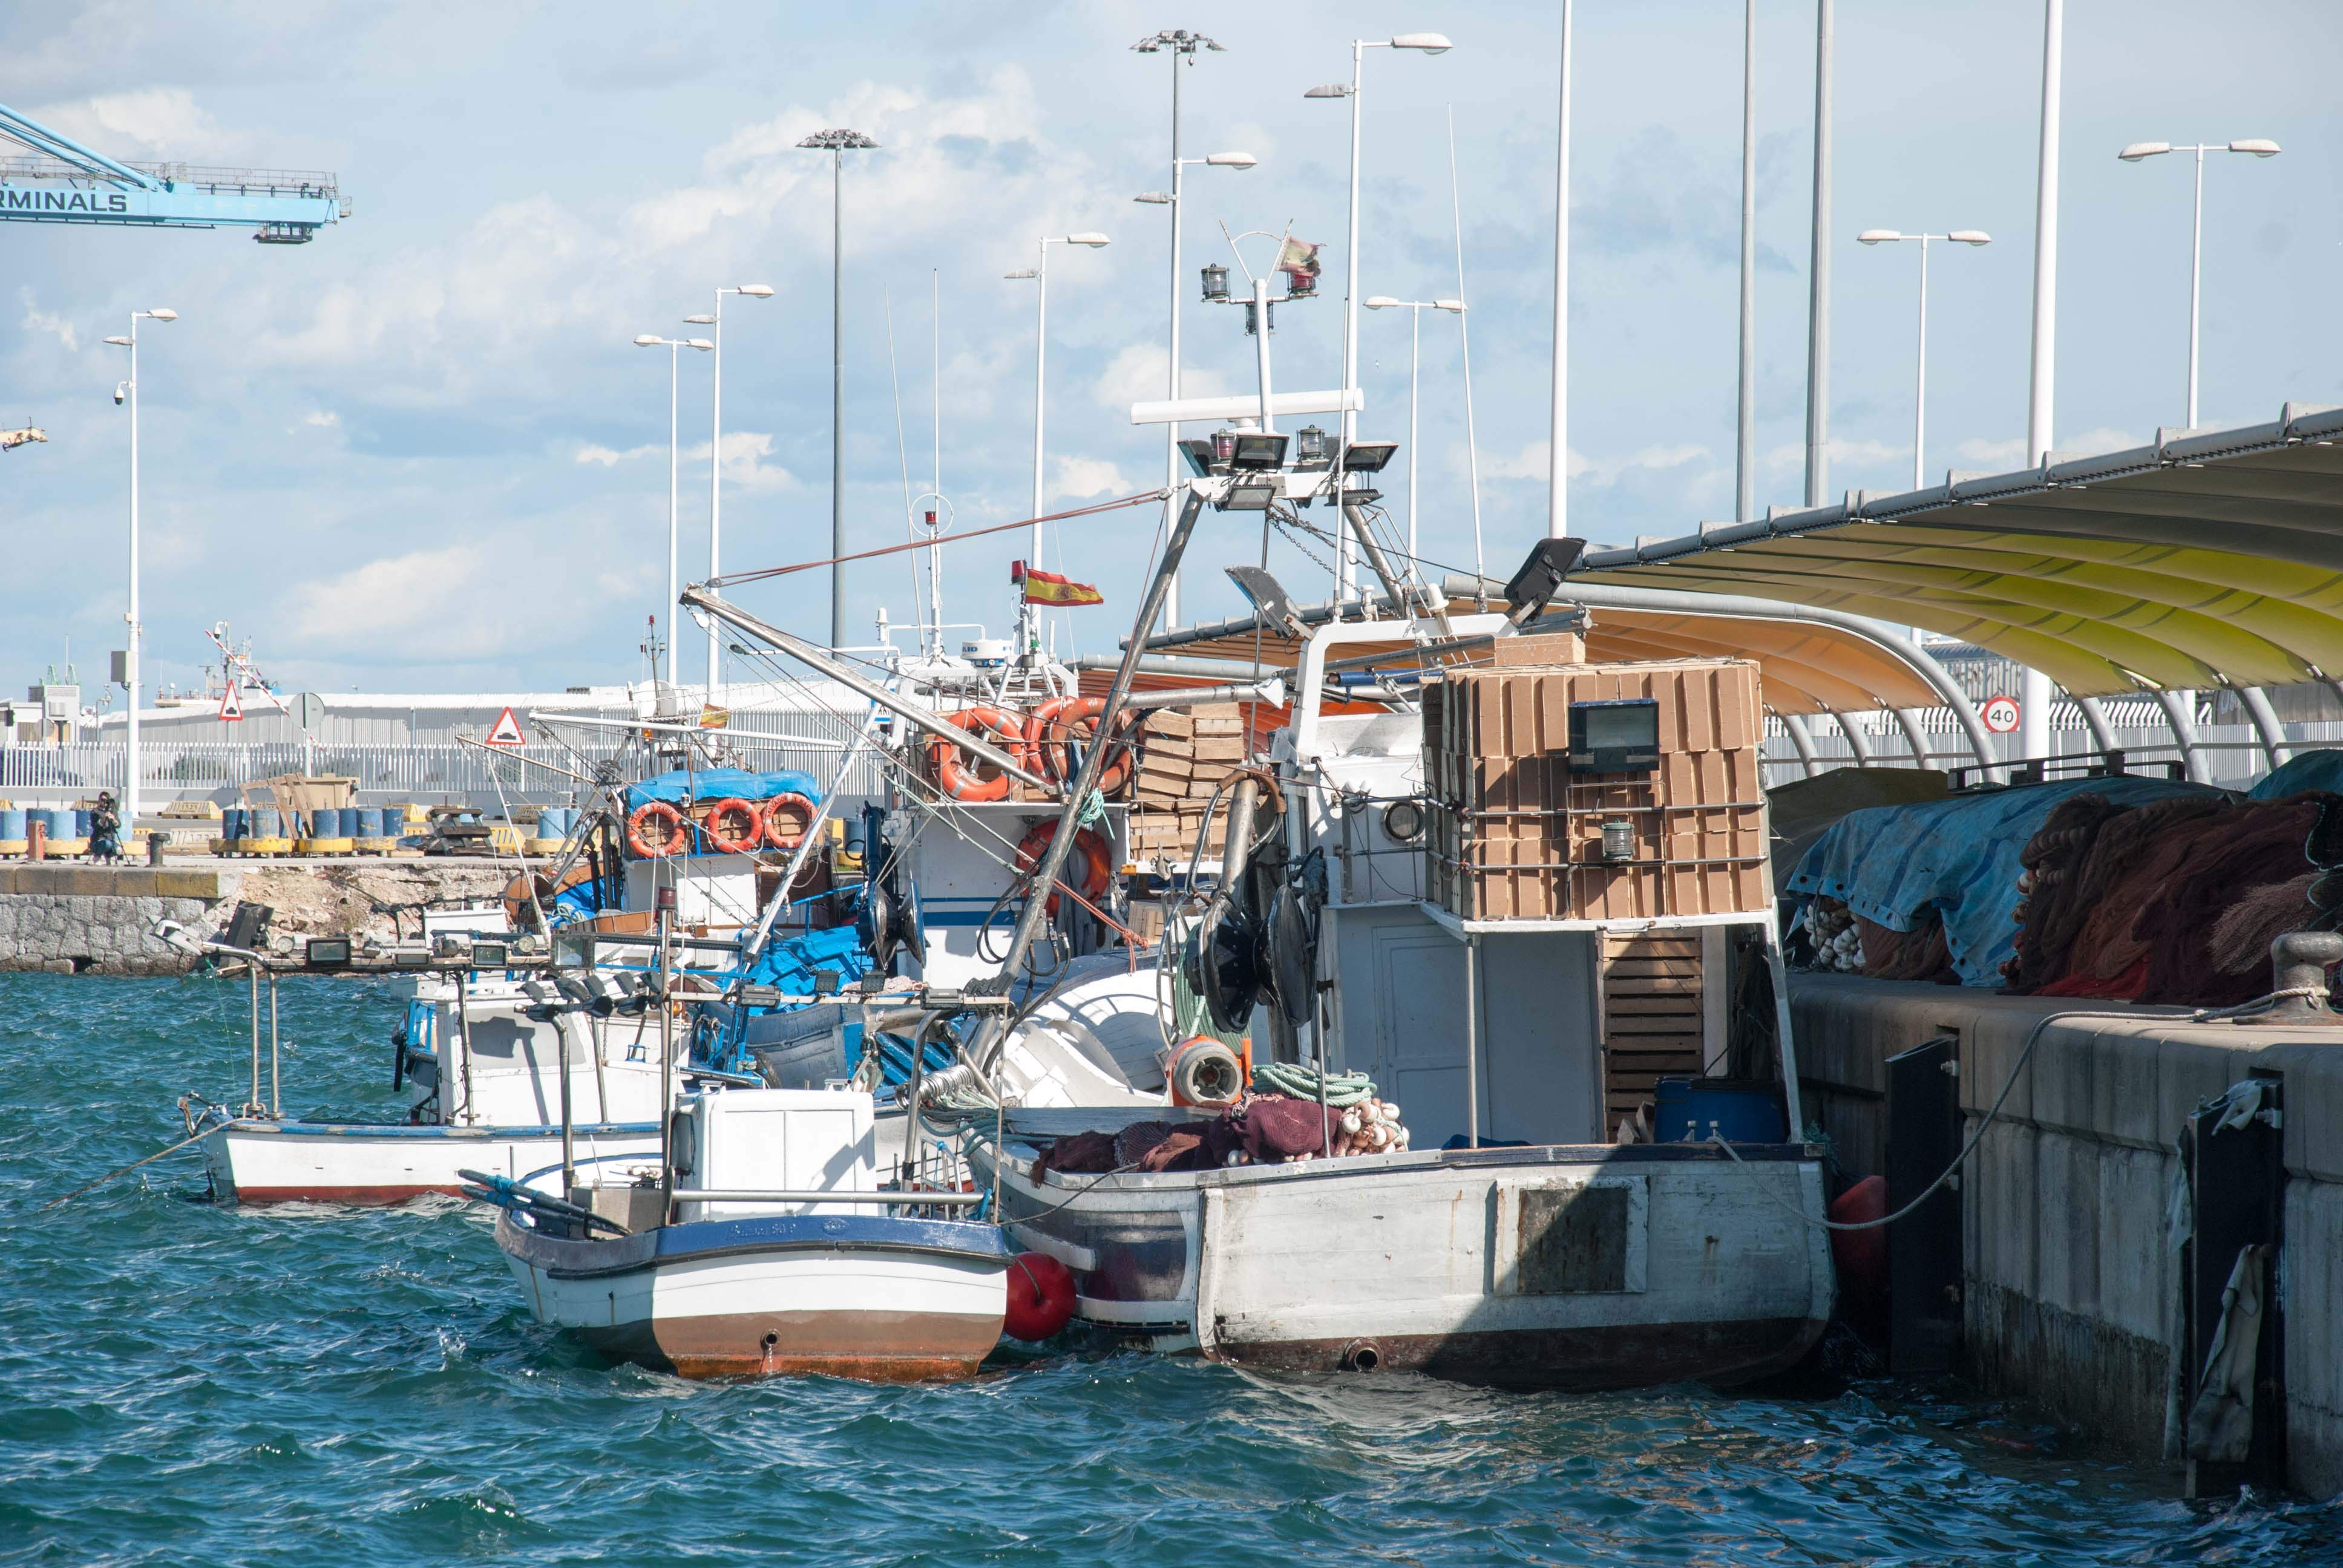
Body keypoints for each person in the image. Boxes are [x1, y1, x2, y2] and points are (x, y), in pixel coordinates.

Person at [89, 791, 122, 864]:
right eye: (102, 800)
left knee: (118, 849)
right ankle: (97, 856)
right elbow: (95, 826)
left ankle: (109, 856)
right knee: (107, 844)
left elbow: (119, 825)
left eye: (106, 800)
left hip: (111, 838)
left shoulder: (113, 811)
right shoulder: (95, 812)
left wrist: (113, 819)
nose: (105, 802)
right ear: (99, 800)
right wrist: (103, 819)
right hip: (99, 839)